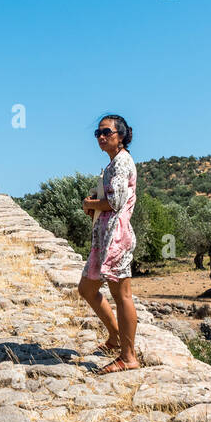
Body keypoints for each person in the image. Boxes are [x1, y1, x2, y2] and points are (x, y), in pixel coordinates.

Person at [79, 114, 141, 374]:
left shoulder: (121, 162)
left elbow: (114, 203)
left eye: (107, 132)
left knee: (122, 295)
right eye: (98, 133)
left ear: (122, 136)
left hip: (116, 237)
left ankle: (128, 357)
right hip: (104, 238)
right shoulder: (114, 163)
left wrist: (90, 204)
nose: (101, 137)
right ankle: (115, 337)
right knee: (86, 288)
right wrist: (95, 201)